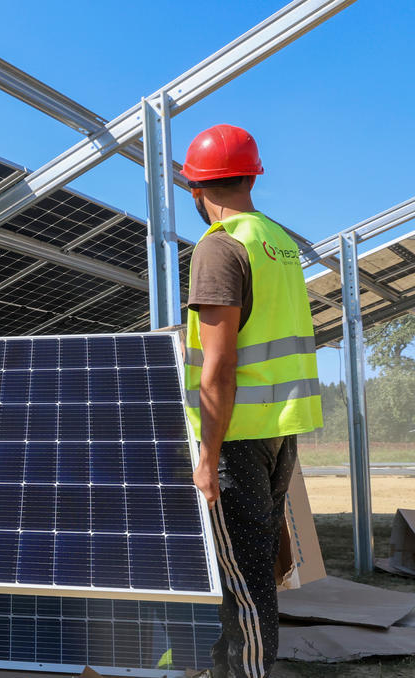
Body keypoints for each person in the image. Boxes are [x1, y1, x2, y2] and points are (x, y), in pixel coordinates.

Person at [181, 124, 321, 678]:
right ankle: (227, 669)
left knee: (244, 581)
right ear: (251, 175)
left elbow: (218, 366)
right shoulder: (279, 241)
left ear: (197, 189)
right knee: (250, 565)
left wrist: (208, 459)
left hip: (236, 437)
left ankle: (251, 673)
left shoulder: (220, 246)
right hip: (280, 429)